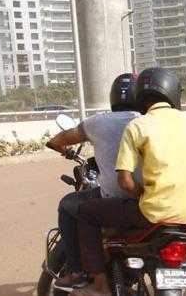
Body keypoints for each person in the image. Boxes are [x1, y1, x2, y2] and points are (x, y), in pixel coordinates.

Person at [72, 67, 186, 296]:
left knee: (85, 212)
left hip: (152, 214)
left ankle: (99, 284)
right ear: (172, 93)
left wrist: (144, 193)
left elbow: (125, 182)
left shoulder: (138, 126)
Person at [46, 73, 143, 291]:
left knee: (66, 204)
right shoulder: (151, 122)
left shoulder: (98, 122)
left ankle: (76, 271)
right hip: (152, 200)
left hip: (113, 202)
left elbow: (61, 138)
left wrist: (58, 147)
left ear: (113, 97)